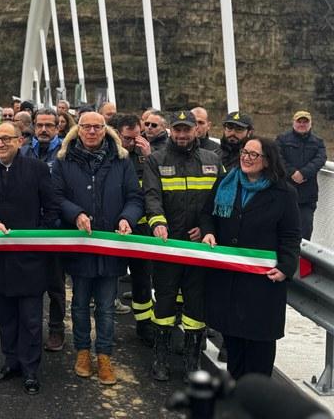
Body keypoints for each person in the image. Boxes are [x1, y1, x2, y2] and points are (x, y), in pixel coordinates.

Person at [0, 122, 59, 396]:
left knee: (30, 319)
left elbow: (52, 207)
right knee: (4, 317)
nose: (0, 143)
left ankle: (30, 369)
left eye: (7, 139)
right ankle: (11, 361)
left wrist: (37, 235)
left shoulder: (37, 169)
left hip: (30, 258)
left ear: (20, 141)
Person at [53, 112, 143, 385]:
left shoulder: (121, 160)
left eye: (97, 127)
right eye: (86, 127)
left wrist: (128, 217)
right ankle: (82, 351)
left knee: (105, 306)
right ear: (78, 130)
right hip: (80, 245)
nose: (92, 131)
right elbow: (56, 196)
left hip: (110, 245)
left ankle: (104, 354)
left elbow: (134, 196)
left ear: (105, 130)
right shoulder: (64, 161)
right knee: (79, 304)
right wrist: (75, 213)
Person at [201, 137, 301, 379]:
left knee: (260, 344)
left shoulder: (284, 192)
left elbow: (290, 235)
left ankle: (257, 400)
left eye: (254, 155)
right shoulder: (227, 182)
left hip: (263, 281)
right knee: (233, 341)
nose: (246, 157)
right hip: (230, 278)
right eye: (245, 152)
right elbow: (207, 214)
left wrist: (286, 267)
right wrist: (209, 232)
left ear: (267, 161)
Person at [144, 110, 222, 382]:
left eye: (186, 129)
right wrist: (157, 223)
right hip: (168, 246)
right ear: (170, 130)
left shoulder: (213, 161)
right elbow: (152, 195)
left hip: (199, 247)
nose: (181, 135)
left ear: (196, 130)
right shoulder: (156, 160)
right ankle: (161, 358)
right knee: (164, 303)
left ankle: (192, 361)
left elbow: (219, 201)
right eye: (176, 130)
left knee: (195, 306)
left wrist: (208, 228)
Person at [19, 108, 65, 353]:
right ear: (34, 128)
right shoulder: (24, 152)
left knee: (56, 283)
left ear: (58, 128)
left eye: (49, 125)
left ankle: (56, 328)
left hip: (55, 229)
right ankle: (30, 328)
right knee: (29, 281)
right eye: (40, 125)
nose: (44, 130)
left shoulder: (66, 153)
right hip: (28, 229)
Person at [113, 114, 155, 344]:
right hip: (115, 228)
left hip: (141, 229)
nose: (131, 142)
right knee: (111, 276)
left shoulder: (146, 156)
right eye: (127, 138)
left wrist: (149, 157)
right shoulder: (110, 155)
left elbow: (155, 185)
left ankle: (144, 323)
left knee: (142, 279)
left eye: (135, 137)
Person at [276, 111, 327, 240]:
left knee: (305, 233)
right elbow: (277, 157)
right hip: (284, 193)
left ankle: (302, 260)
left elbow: (321, 159)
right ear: (294, 122)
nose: (302, 124)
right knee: (282, 230)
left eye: (305, 122)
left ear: (310, 124)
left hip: (307, 197)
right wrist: (292, 173)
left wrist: (304, 173)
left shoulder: (318, 142)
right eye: (299, 121)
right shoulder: (282, 139)